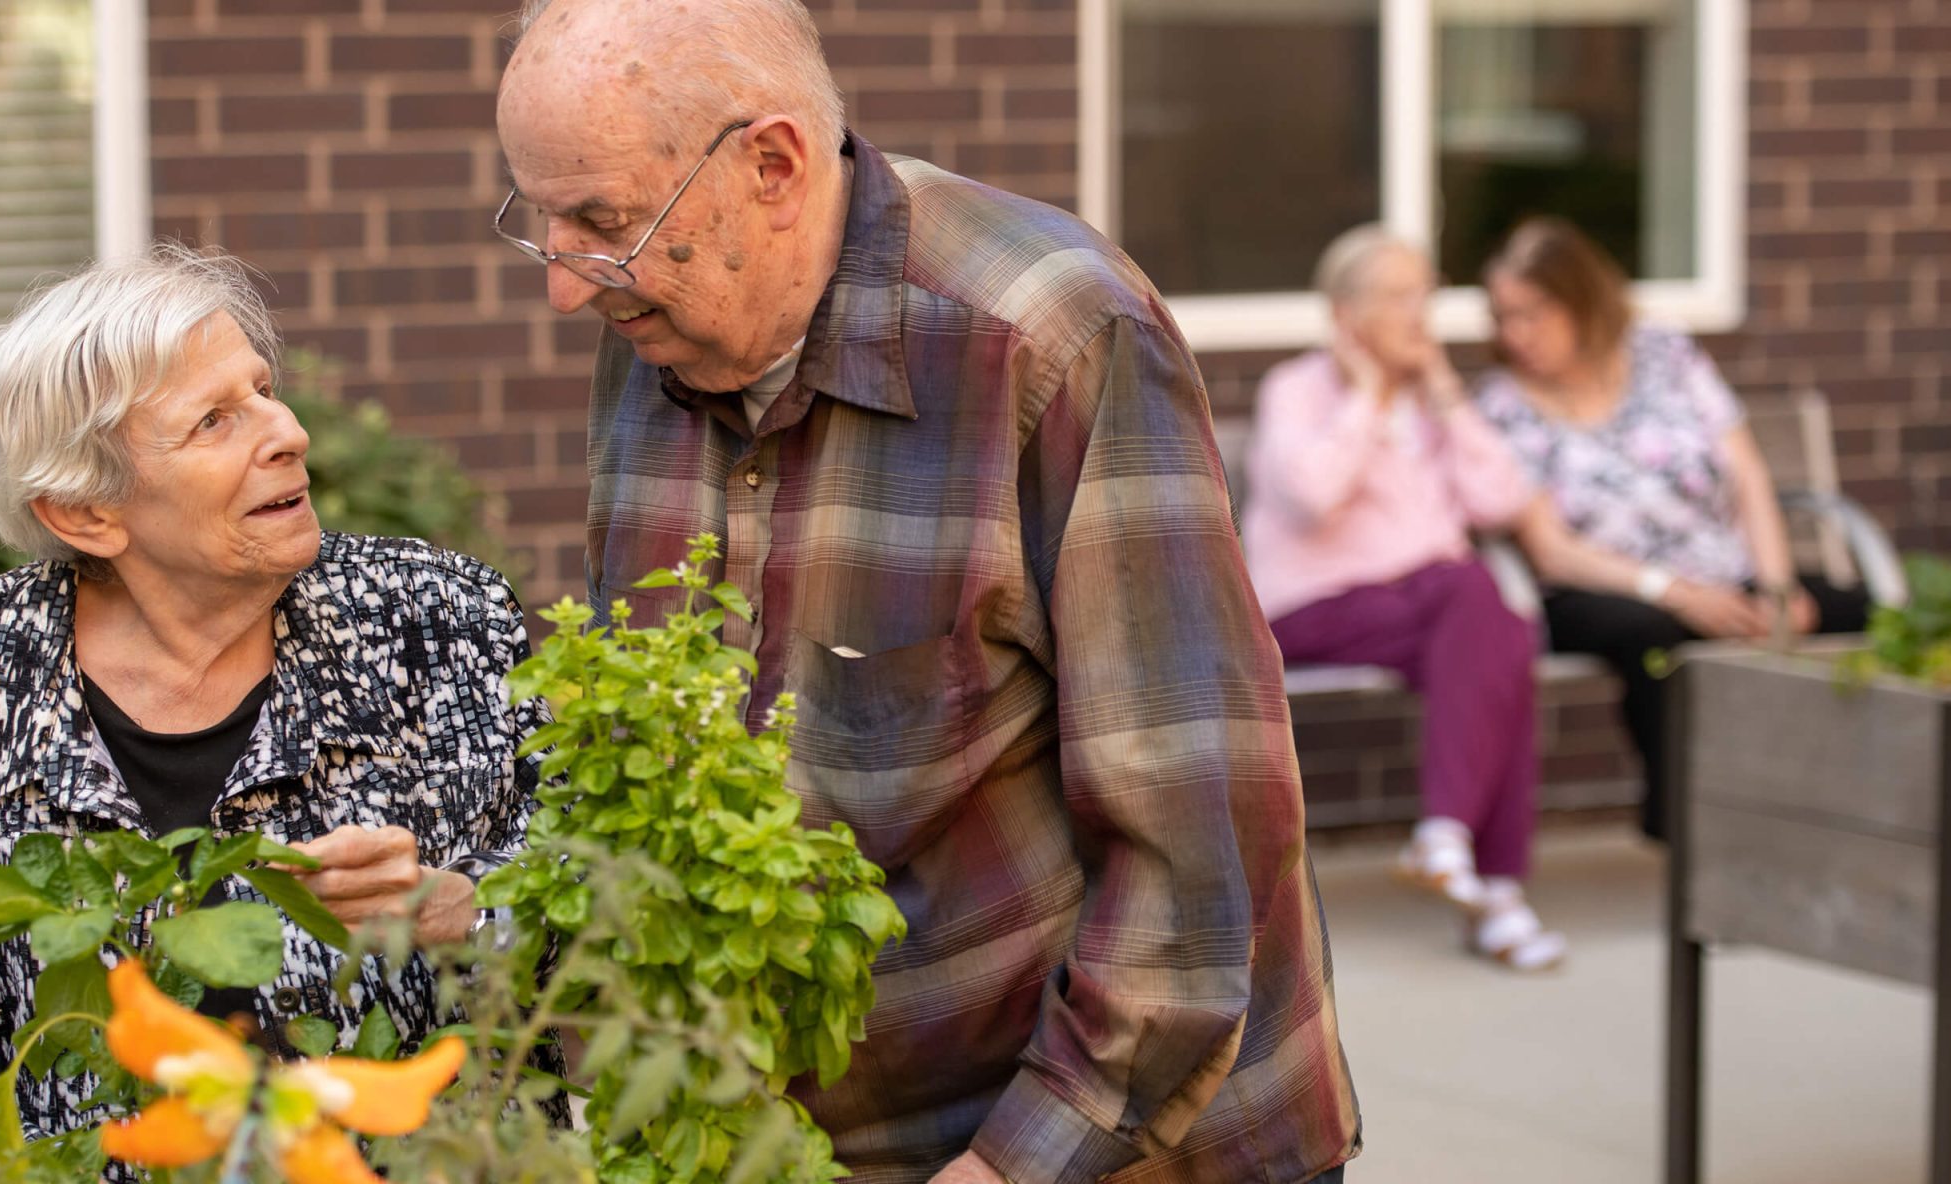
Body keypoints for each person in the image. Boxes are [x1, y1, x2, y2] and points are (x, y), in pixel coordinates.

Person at [492, 1, 1360, 1181]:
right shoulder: (654, 327)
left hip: (1108, 1137)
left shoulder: (1052, 335)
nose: (565, 285)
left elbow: (1196, 846)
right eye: (542, 223)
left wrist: (1012, 1164)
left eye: (601, 221)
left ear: (773, 165)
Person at [0, 245, 546, 1181]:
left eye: (264, 390)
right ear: (87, 515)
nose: (288, 432)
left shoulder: (440, 623)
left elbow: (593, 906)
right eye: (214, 421)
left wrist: (463, 908)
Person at [1476, 217, 1871, 840]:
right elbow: (1551, 550)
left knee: (1859, 612)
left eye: (1533, 312)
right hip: (1601, 588)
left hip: (1723, 568)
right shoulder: (1500, 405)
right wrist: (1674, 591)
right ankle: (1691, 830)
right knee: (1658, 637)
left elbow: (1746, 474)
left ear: (1582, 299)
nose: (1514, 333)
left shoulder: (1665, 352)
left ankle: (1851, 811)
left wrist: (1773, 587)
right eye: (1502, 316)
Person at [1240, 226, 1564, 971]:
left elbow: (1501, 498)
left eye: (1425, 292)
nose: (1419, 311)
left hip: (1429, 607)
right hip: (1318, 607)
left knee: (1498, 638)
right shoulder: (1296, 389)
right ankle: (1490, 880)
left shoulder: (1432, 399)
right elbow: (1314, 496)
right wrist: (1365, 394)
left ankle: (1471, 872)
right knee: (1486, 611)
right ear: (1345, 314)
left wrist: (1446, 394)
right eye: (1398, 295)